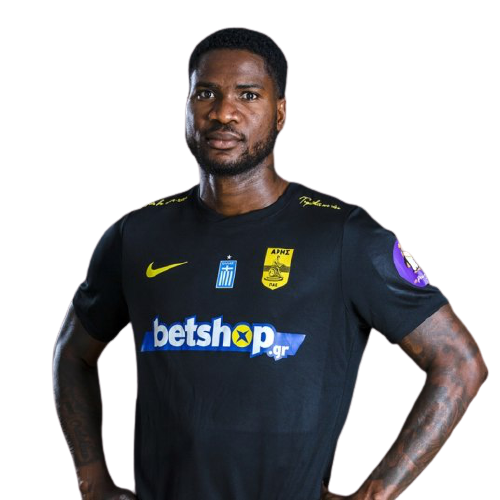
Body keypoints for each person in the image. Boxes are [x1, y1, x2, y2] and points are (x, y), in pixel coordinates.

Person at [52, 26, 489, 500]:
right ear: (186, 106)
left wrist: (376, 494)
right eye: (206, 93)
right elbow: (71, 354)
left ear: (280, 112)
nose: (224, 112)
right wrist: (91, 478)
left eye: (248, 95)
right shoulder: (135, 234)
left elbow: (459, 361)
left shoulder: (344, 235)